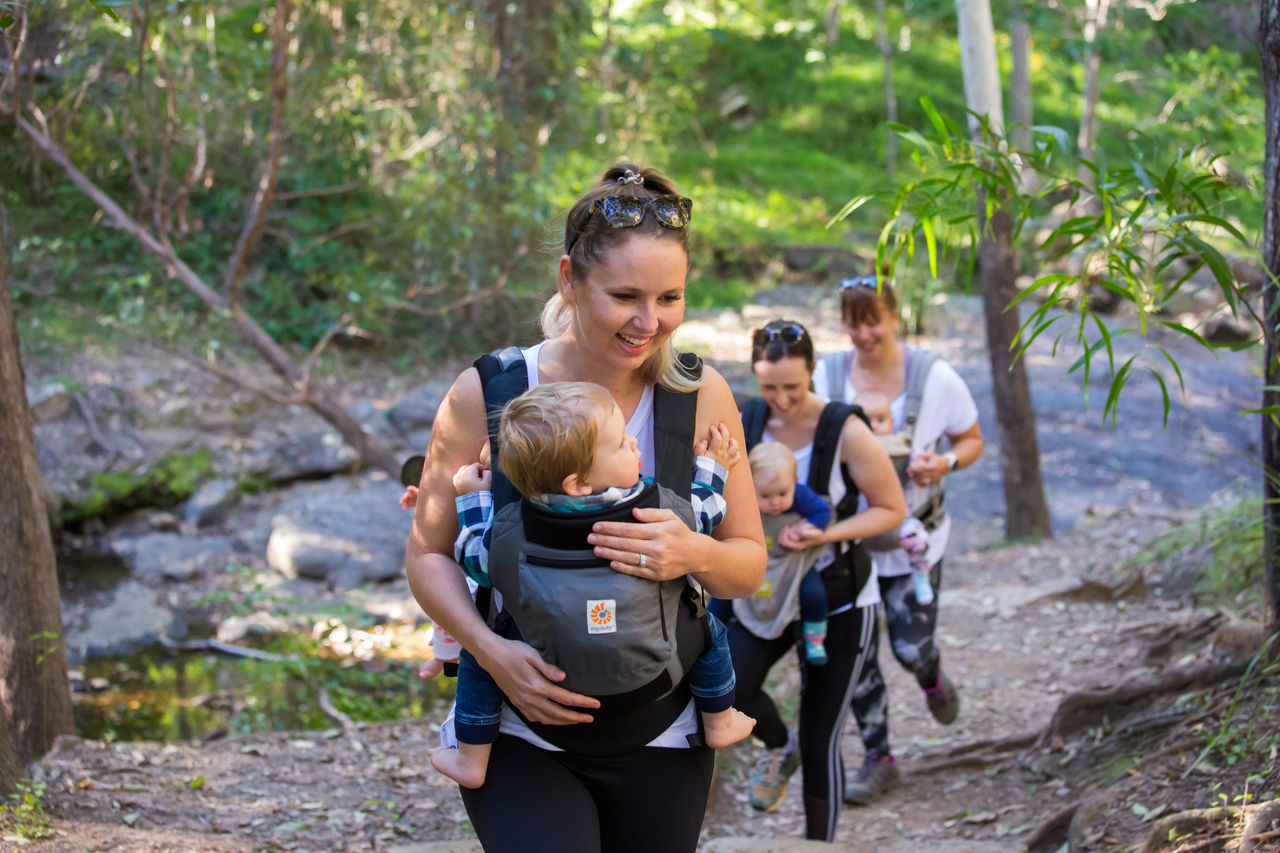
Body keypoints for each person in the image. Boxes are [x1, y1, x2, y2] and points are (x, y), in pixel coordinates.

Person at [404, 162, 766, 853]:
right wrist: (491, 652)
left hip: (664, 727)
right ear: (570, 280)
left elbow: (746, 566)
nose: (648, 322)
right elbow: (426, 554)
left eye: (670, 297)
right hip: (518, 730)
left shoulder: (700, 396)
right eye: (625, 295)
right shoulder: (493, 390)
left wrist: (695, 552)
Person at [430, 381, 756, 788]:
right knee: (711, 632)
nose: (634, 446)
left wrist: (473, 499)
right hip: (650, 679)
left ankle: (471, 758)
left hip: (553, 677)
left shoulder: (512, 532)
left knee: (478, 659)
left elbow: (473, 561)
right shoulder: (654, 509)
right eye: (622, 443)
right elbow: (707, 510)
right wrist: (714, 466)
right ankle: (720, 719)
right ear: (578, 483)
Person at [725, 319, 905, 841]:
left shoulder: (842, 428)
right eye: (769, 387)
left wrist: (824, 535)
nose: (781, 400)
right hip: (765, 593)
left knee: (823, 734)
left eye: (793, 387)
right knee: (729, 687)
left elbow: (890, 508)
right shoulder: (748, 420)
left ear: (813, 375)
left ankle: (817, 844)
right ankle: (780, 746)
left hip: (840, 596)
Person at [811, 274, 983, 806]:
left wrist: (946, 462)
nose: (863, 334)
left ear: (894, 317)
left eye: (873, 322)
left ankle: (930, 675)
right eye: (853, 323)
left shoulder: (936, 378)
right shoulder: (827, 376)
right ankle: (878, 757)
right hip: (849, 545)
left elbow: (972, 439)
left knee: (909, 648)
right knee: (856, 656)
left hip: (914, 542)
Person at [746, 442, 834, 665]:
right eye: (765, 495)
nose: (775, 502)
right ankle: (714, 628)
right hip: (763, 559)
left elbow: (823, 511)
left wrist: (807, 527)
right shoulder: (746, 500)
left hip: (796, 560)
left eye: (782, 494)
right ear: (751, 486)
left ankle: (815, 639)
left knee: (814, 594)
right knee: (728, 596)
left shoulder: (802, 496)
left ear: (795, 481)